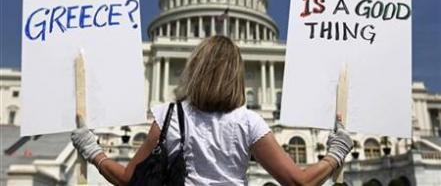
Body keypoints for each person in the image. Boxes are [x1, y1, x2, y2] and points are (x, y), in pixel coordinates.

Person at [72, 35, 353, 185]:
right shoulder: (249, 123)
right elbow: (299, 183)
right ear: (237, 75)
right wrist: (334, 155)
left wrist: (93, 151)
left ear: (195, 69)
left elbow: (129, 181)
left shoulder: (168, 117)